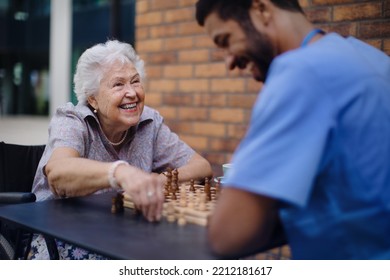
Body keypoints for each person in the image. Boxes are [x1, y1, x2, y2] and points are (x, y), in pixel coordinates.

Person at [195, 0, 390, 259]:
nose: (229, 62)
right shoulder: (372, 58)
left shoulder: (299, 74)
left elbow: (227, 236)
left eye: (226, 40)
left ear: (261, 9)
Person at [29, 39, 212, 259]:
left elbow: (201, 166)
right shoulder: (72, 120)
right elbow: (58, 174)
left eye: (135, 82)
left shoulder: (149, 122)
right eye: (118, 84)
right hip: (61, 238)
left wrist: (155, 182)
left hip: (121, 234)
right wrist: (120, 173)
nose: (132, 93)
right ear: (93, 99)